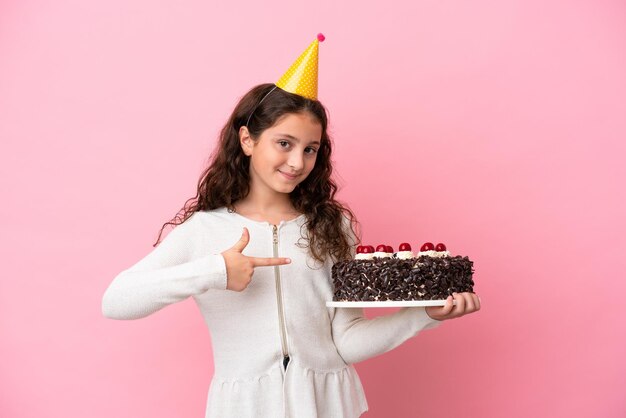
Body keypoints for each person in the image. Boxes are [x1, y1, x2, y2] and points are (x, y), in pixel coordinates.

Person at [101, 34, 480, 418]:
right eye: (284, 143)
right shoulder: (204, 231)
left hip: (328, 407)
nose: (297, 162)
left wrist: (423, 316)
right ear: (247, 140)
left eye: (309, 149)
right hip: (246, 408)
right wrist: (215, 270)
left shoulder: (332, 226)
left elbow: (345, 341)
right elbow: (116, 300)